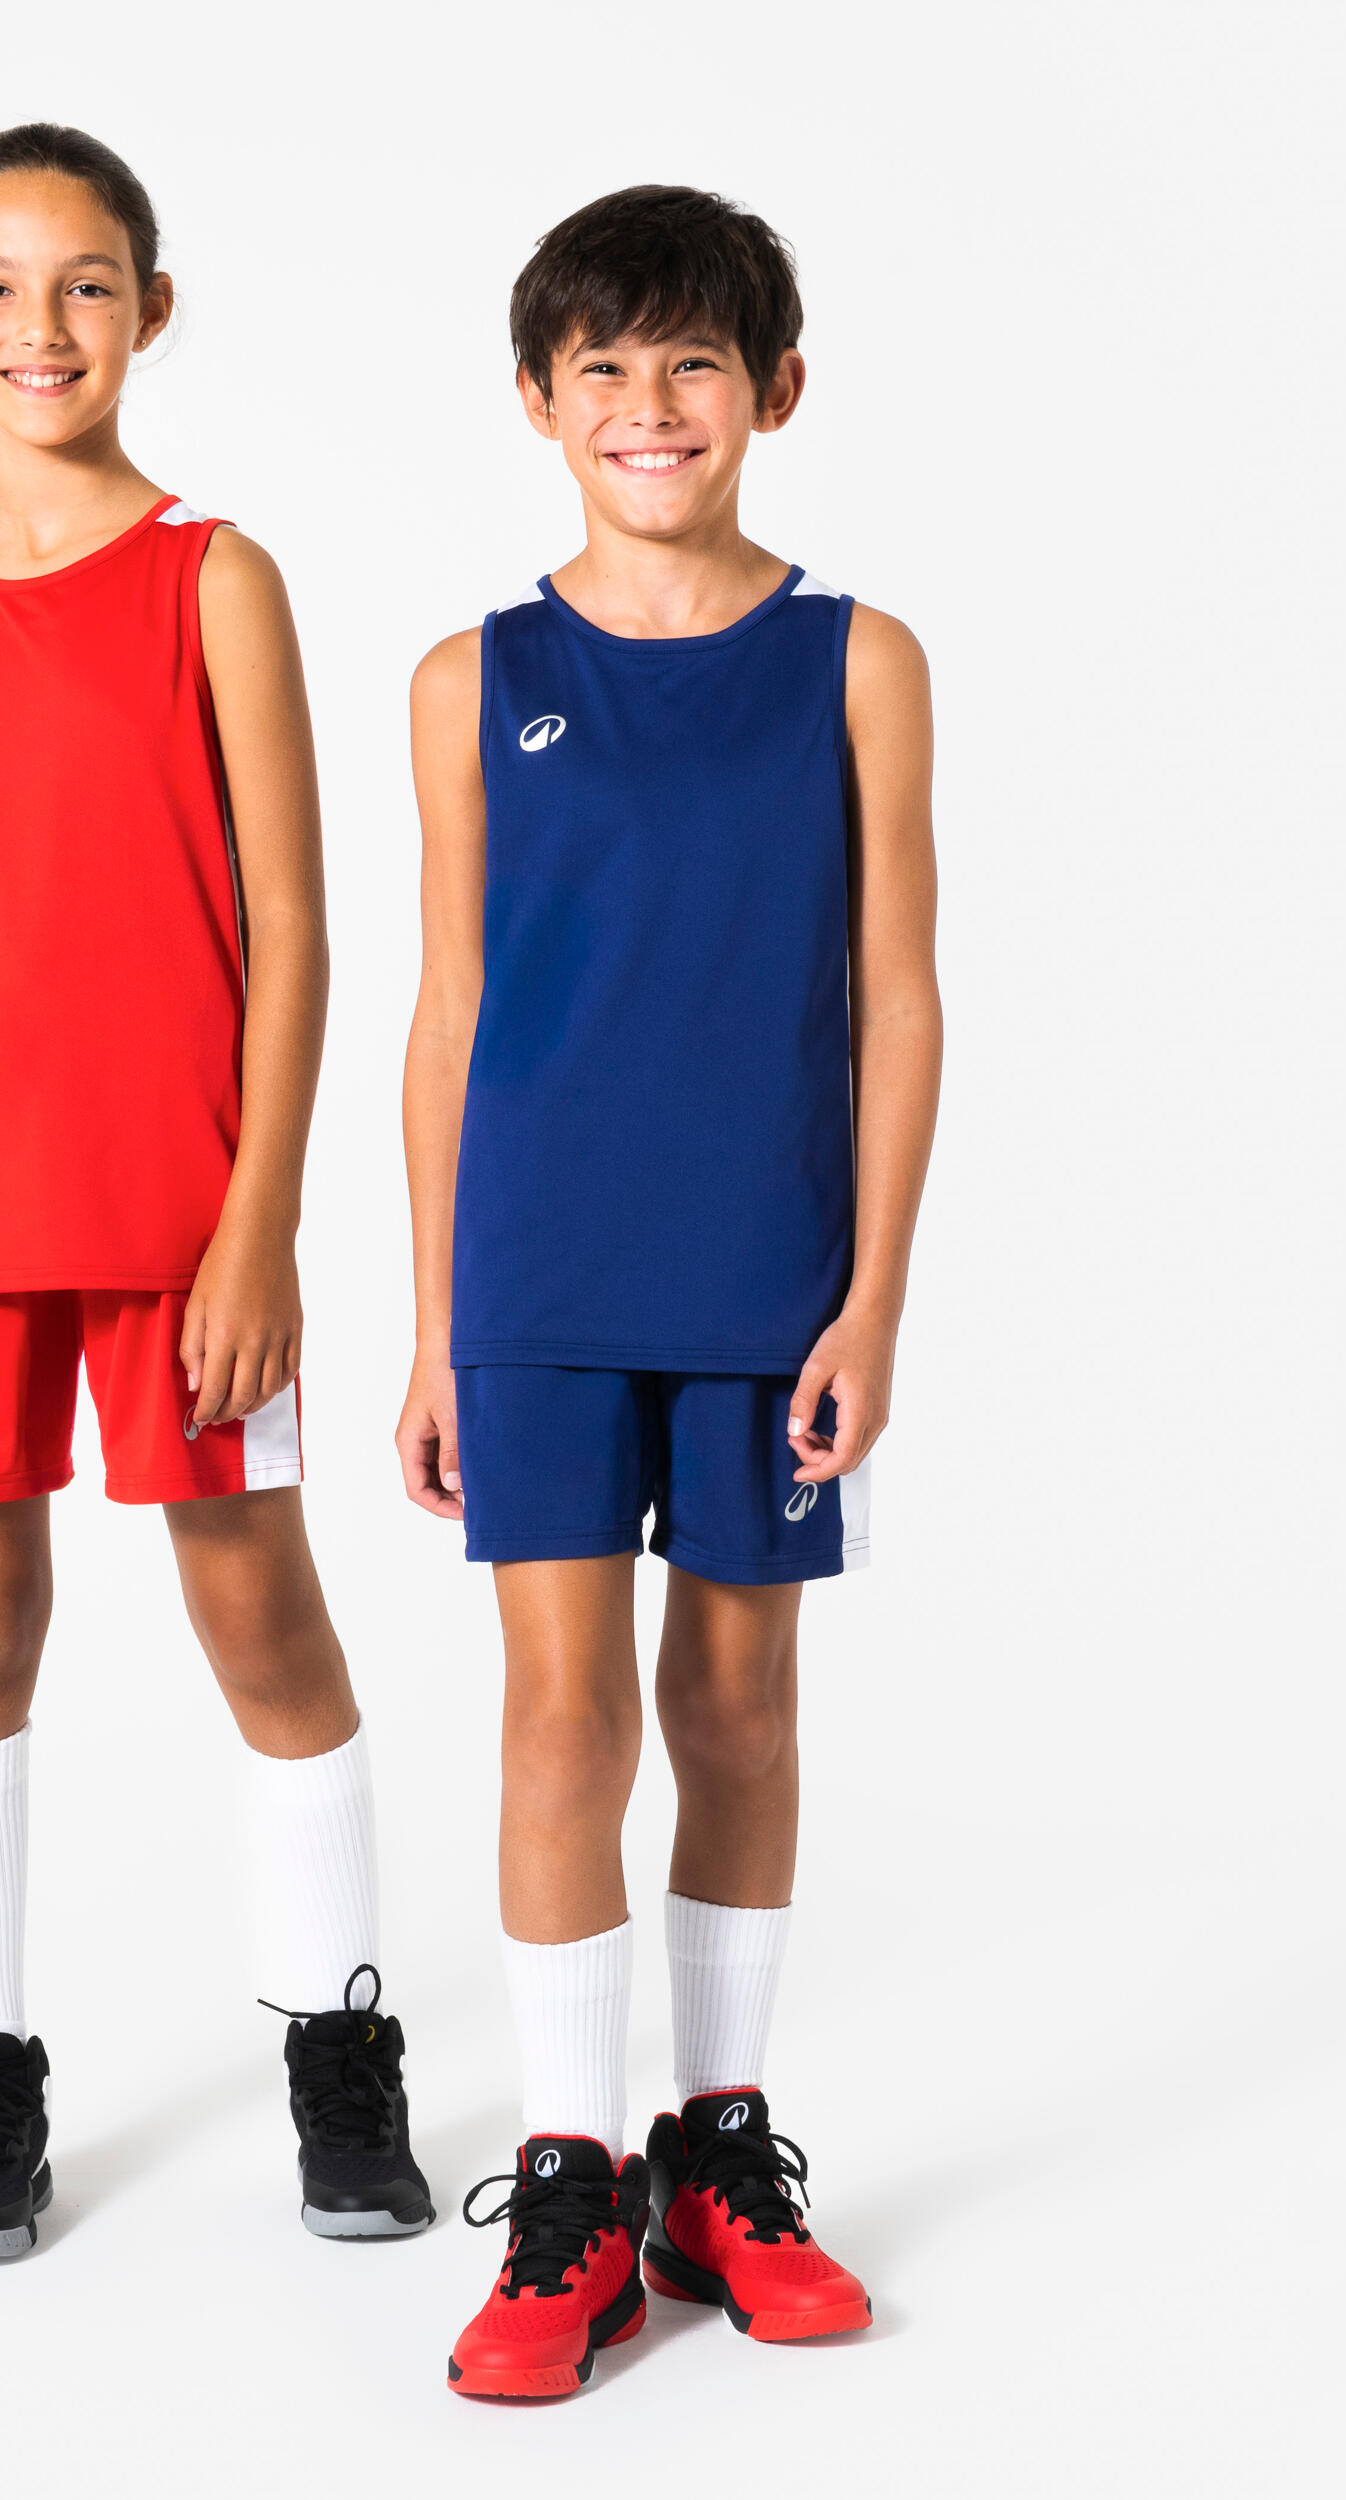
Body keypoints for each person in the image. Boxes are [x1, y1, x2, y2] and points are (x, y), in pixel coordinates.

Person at [0, 123, 428, 2262]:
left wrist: (259, 1221)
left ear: (149, 312)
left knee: (255, 1608)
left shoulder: (211, 575)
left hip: (178, 1217)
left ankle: (339, 2055)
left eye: (85, 283)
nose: (40, 325)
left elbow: (295, 920)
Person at [398, 184, 941, 2397]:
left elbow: (896, 996)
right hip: (536, 1275)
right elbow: (449, 1013)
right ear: (539, 401)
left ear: (773, 390)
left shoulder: (856, 662)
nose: (649, 405)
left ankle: (717, 2152)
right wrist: (432, 1325)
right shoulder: (471, 680)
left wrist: (870, 1300)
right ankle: (569, 2177)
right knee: (558, 1715)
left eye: (692, 362)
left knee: (733, 1707)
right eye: (602, 368)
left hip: (762, 1277)